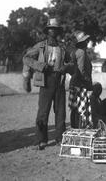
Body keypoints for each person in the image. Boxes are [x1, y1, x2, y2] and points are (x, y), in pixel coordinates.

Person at [23, 18, 72, 150]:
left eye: (55, 29)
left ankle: (60, 138)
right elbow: (26, 58)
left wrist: (65, 68)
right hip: (46, 80)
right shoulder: (40, 46)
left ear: (58, 31)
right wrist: (41, 66)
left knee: (60, 111)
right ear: (47, 30)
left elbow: (70, 62)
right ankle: (40, 140)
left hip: (59, 81)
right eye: (51, 28)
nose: (53, 31)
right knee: (43, 111)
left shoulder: (62, 47)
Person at [68, 31, 93, 129]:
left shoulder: (74, 51)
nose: (87, 43)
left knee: (75, 108)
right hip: (80, 83)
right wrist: (87, 81)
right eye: (85, 41)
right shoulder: (81, 52)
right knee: (81, 109)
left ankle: (74, 128)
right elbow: (81, 69)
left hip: (75, 82)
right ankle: (79, 129)